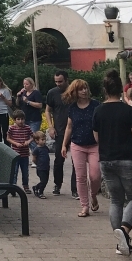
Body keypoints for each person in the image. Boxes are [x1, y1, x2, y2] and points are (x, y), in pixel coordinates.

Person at [94, 69, 132, 256]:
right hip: (127, 159)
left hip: (106, 159)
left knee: (116, 200)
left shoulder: (98, 111)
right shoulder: (129, 111)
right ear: (121, 90)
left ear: (105, 90)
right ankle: (124, 231)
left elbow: (96, 137)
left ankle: (120, 242)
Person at [60, 79, 101, 217]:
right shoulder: (72, 108)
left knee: (95, 176)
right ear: (75, 92)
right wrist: (64, 145)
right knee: (80, 177)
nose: (84, 91)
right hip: (77, 145)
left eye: (85, 88)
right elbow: (69, 127)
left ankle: (93, 195)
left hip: (94, 145)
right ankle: (84, 206)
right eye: (80, 89)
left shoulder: (96, 105)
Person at [45, 70, 77, 198]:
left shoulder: (74, 92)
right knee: (58, 160)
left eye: (60, 81)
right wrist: (50, 126)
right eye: (56, 81)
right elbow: (47, 110)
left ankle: (75, 188)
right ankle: (57, 184)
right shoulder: (52, 93)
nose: (58, 84)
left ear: (67, 80)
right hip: (59, 130)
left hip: (75, 131)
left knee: (76, 161)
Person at [6, 110, 34, 193]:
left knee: (25, 172)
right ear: (14, 120)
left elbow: (33, 137)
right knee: (14, 172)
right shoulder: (12, 128)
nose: (20, 121)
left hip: (25, 154)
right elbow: (8, 138)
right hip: (15, 154)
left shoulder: (27, 128)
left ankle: (26, 186)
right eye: (18, 119)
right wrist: (15, 143)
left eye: (22, 119)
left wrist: (28, 142)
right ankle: (13, 187)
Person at [31, 132, 51, 198]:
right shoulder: (36, 149)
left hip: (46, 167)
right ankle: (40, 192)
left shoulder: (45, 147)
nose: (44, 141)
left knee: (45, 181)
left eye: (44, 139)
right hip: (40, 168)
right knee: (43, 181)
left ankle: (36, 187)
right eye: (42, 140)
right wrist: (38, 164)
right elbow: (34, 158)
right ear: (36, 141)